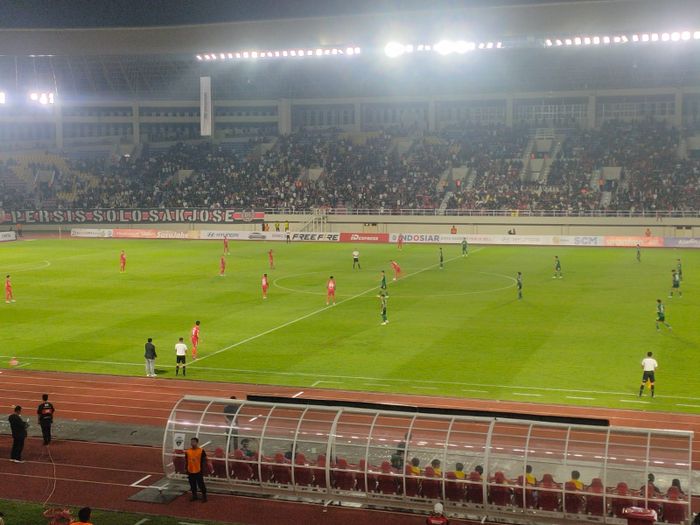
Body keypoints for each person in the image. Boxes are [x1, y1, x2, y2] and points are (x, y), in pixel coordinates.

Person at [185, 437, 208, 502]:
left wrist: (204, 468)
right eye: (191, 442)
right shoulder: (188, 451)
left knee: (201, 484)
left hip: (198, 470)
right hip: (190, 470)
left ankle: (204, 496)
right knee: (192, 484)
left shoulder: (201, 451)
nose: (192, 443)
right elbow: (186, 461)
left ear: (197, 443)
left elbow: (205, 460)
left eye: (193, 442)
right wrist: (186, 469)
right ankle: (194, 496)